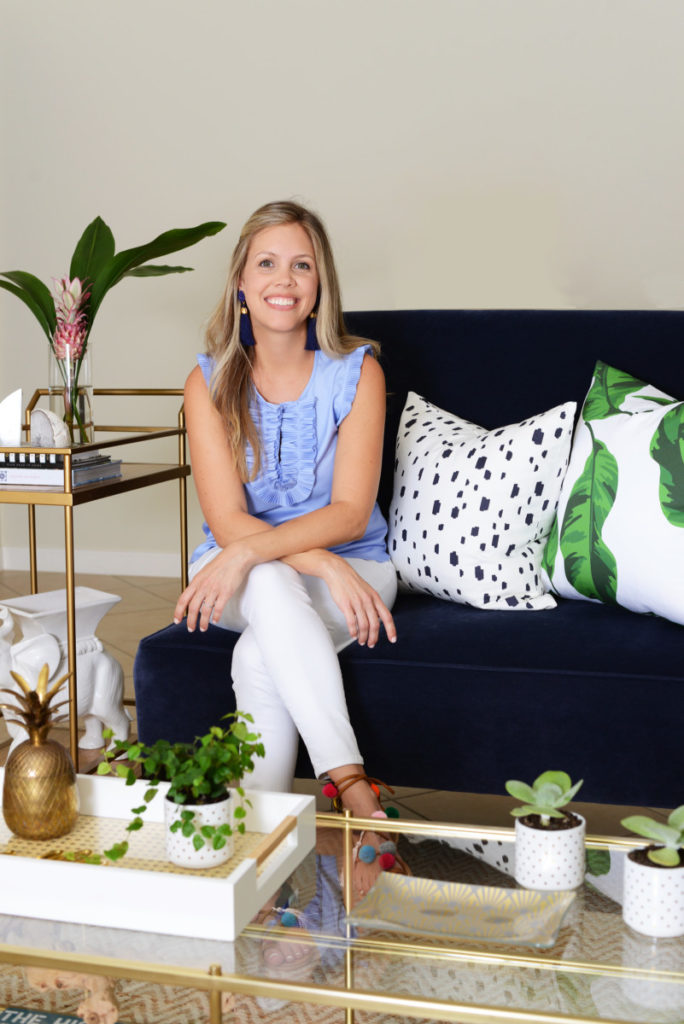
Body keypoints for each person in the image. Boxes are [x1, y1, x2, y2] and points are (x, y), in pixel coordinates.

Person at [173, 199, 405, 896]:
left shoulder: (358, 371)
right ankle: (354, 787)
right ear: (241, 284)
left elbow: (350, 511)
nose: (285, 278)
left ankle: (260, 856)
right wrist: (311, 560)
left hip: (358, 569)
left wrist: (305, 556)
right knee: (271, 584)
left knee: (257, 653)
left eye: (301, 264)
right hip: (267, 572)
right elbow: (225, 516)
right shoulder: (207, 380)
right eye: (267, 263)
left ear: (320, 283)